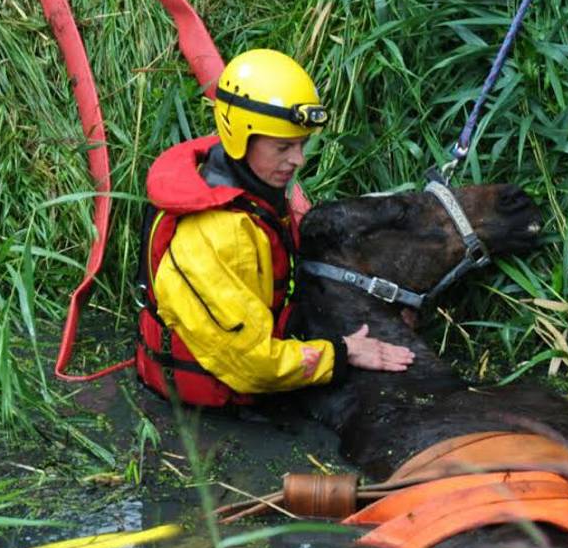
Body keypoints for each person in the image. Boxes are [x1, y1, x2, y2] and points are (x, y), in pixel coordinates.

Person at [136, 49, 414, 408]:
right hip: (219, 400)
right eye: (283, 147)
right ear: (240, 139)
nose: (298, 160)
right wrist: (339, 354)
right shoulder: (214, 236)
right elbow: (253, 365)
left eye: (301, 144)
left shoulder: (253, 190)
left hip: (255, 354)